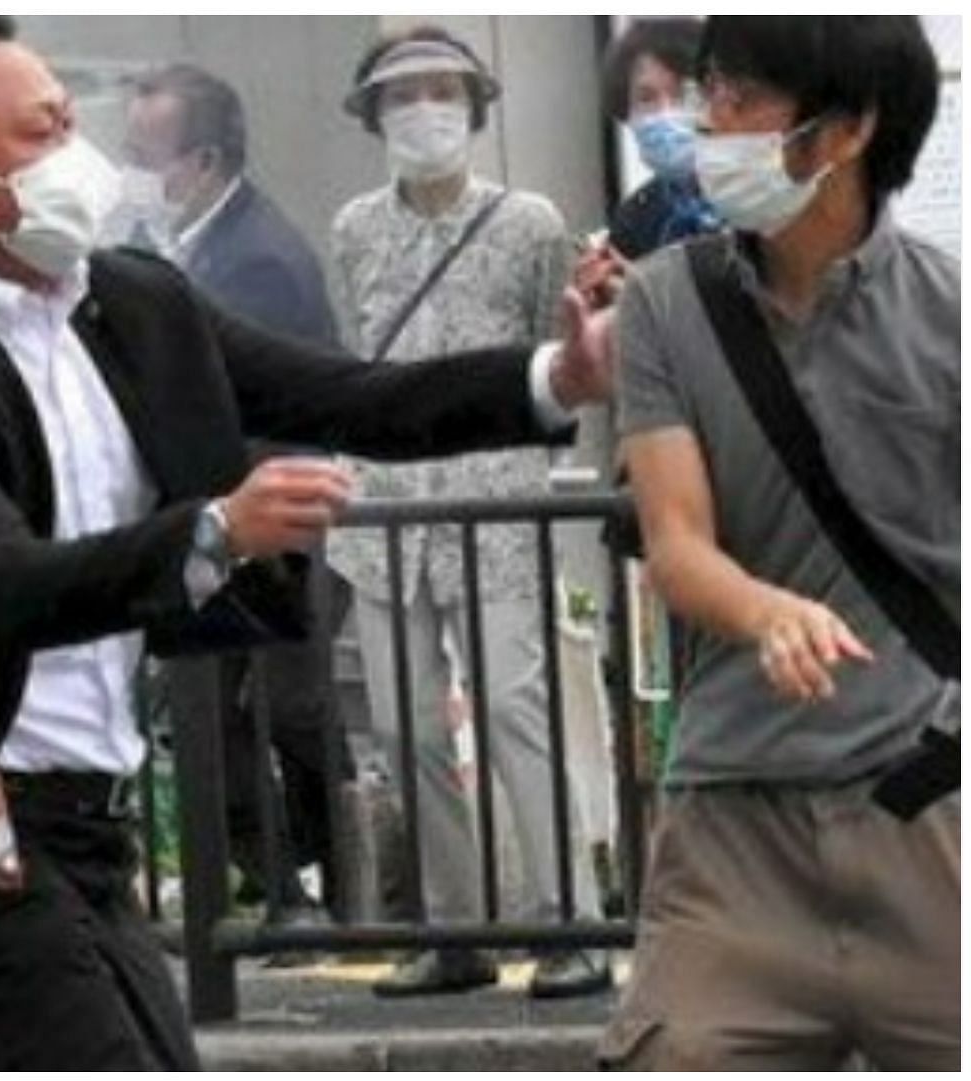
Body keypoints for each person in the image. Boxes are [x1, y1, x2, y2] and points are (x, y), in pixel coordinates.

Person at [0, 16, 615, 1070]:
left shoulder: (133, 301)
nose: (84, 158)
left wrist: (559, 377)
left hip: (94, 831)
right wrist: (211, 532)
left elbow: (354, 395)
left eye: (74, 121)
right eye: (41, 135)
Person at [607, 17, 956, 1069]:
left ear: (844, 132)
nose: (709, 125)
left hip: (933, 807)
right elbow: (676, 543)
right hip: (731, 829)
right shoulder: (664, 304)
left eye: (742, 101)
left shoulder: (952, 311)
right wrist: (767, 611)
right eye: (709, 92)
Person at [327, 24, 609, 999]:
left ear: (477, 104)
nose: (423, 111)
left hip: (495, 507)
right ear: (373, 115)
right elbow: (355, 356)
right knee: (402, 724)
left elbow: (553, 360)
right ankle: (455, 927)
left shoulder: (531, 220)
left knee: (513, 707)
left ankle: (572, 921)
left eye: (443, 90)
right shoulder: (354, 226)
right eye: (402, 95)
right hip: (384, 505)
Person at [124, 61, 353, 944]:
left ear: (207, 159)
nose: (137, 172)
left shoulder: (256, 256)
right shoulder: (191, 245)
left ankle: (324, 886)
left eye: (150, 155)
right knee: (218, 710)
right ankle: (289, 887)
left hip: (271, 518)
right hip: (230, 517)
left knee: (280, 708)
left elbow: (273, 403)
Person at [121, 62, 338, 344]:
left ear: (207, 163)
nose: (130, 173)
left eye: (143, 160)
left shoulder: (264, 269)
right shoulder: (152, 231)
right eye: (128, 155)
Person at [602, 18, 720, 262]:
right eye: (646, 98)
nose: (665, 113)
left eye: (681, 95)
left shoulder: (753, 197)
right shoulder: (634, 218)